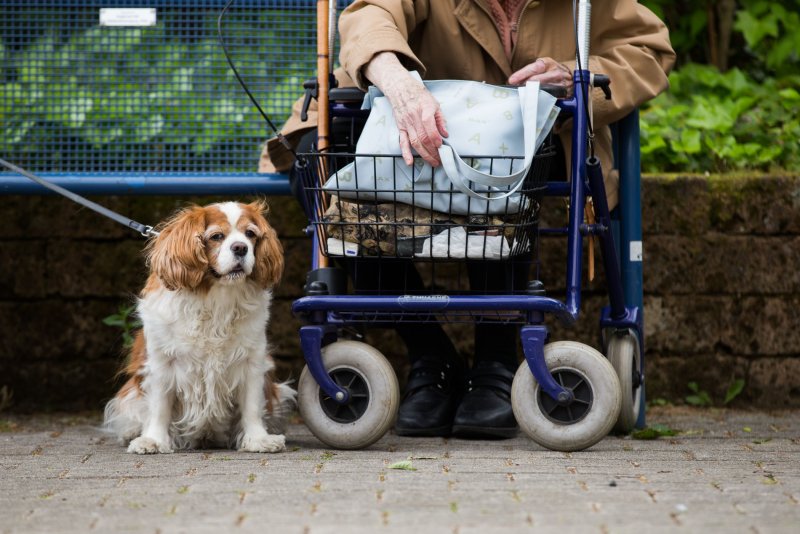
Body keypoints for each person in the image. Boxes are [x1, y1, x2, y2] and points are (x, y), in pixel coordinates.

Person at [259, 0, 675, 439]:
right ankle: (430, 355)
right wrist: (401, 85)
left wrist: (577, 75)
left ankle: (496, 364)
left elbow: (648, 49)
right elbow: (370, 14)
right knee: (313, 162)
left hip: (532, 135)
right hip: (410, 118)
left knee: (509, 167)